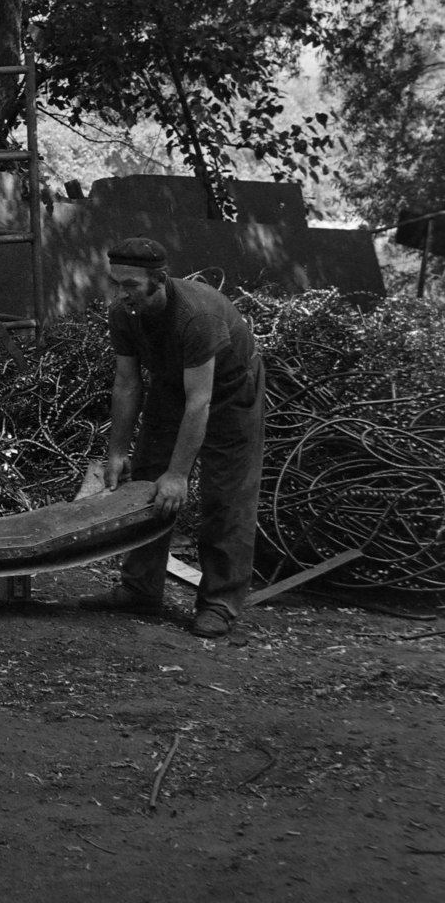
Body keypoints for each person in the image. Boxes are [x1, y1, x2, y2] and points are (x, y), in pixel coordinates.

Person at [81, 237, 266, 638]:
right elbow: (127, 385)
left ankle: (220, 603)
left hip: (231, 393)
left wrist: (180, 474)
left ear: (159, 280)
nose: (120, 292)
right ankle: (140, 589)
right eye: (116, 282)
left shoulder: (196, 317)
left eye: (130, 284)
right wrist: (116, 451)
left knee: (225, 495)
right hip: (171, 383)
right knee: (147, 482)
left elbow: (201, 402)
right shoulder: (124, 312)